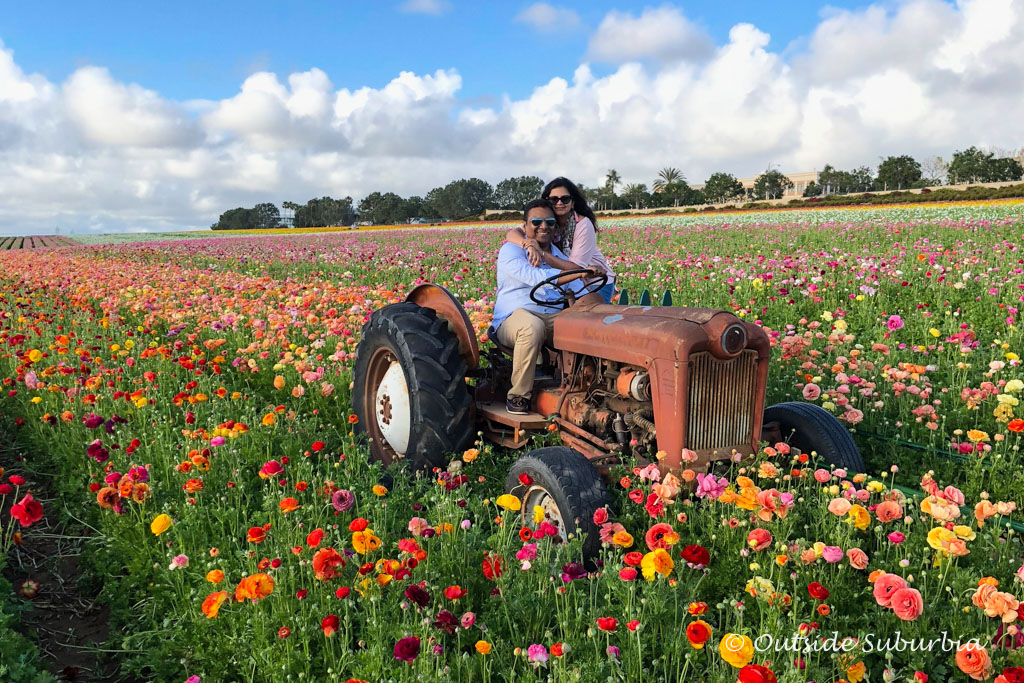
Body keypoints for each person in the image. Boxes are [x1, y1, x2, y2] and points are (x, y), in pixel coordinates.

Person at [493, 199, 600, 415]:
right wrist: (576, 273)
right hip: (514, 318)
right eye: (537, 222)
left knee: (587, 326)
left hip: (551, 316)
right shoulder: (510, 251)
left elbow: (577, 286)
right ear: (525, 226)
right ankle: (518, 396)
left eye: (550, 222)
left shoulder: (556, 255)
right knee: (531, 327)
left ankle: (589, 391)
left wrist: (590, 291)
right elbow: (535, 277)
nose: (544, 226)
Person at [505, 176, 617, 303]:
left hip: (595, 279)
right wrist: (529, 245)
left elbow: (577, 267)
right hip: (569, 281)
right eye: (554, 199)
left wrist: (542, 254)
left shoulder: (583, 224)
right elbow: (513, 233)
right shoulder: (546, 222)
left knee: (590, 318)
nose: (559, 203)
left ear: (572, 202)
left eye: (565, 199)